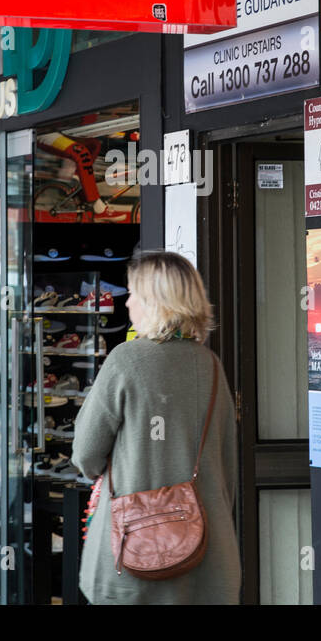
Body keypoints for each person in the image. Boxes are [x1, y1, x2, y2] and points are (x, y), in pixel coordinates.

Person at [71, 251, 240, 604]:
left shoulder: (126, 360)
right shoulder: (210, 366)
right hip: (204, 556)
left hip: (132, 554)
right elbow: (228, 470)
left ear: (154, 302)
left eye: (134, 293)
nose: (128, 302)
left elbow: (85, 454)